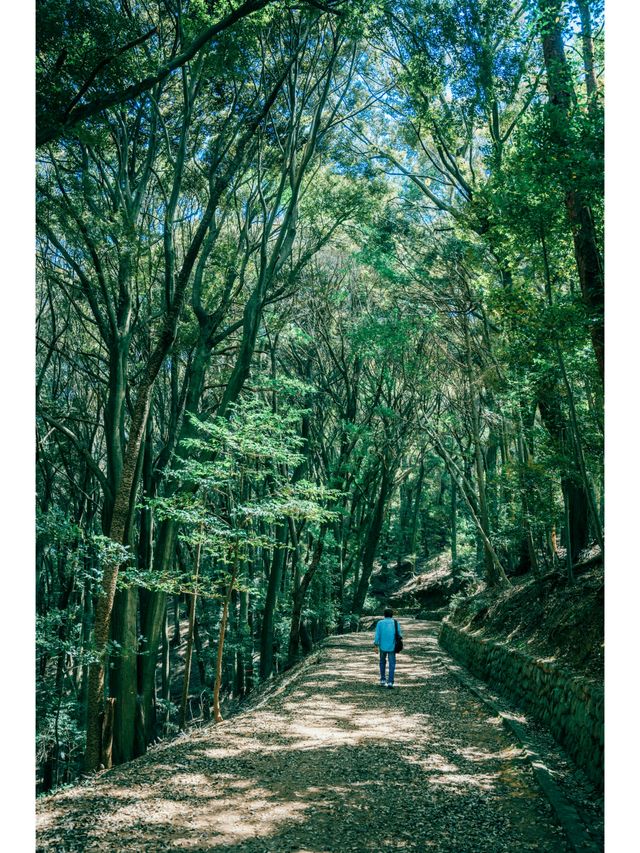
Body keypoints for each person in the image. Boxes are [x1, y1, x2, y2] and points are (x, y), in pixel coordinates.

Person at [373, 607, 403, 688]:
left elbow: (377, 635)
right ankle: (390, 682)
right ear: (392, 615)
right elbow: (400, 635)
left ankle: (382, 680)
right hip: (392, 646)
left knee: (382, 662)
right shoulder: (396, 623)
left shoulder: (380, 623)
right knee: (392, 663)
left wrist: (375, 643)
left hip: (382, 646)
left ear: (384, 615)